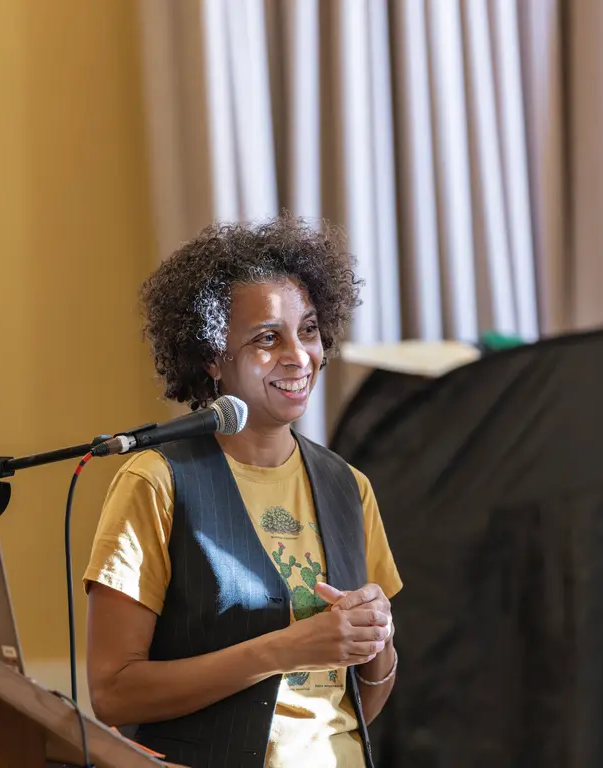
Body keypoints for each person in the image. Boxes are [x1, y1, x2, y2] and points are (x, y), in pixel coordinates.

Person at [83, 215, 402, 768]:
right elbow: (114, 693)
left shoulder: (350, 487)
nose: (299, 356)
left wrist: (377, 640)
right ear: (212, 358)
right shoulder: (155, 482)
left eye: (307, 330)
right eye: (266, 338)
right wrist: (285, 648)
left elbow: (360, 705)